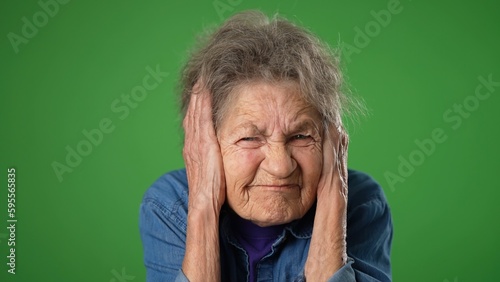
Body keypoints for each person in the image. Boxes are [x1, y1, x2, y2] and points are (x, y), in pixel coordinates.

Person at [139, 10, 392, 282]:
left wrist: (333, 205)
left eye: (301, 136)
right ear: (204, 144)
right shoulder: (169, 206)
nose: (281, 166)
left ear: (332, 140)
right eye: (250, 138)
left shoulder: (361, 203)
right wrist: (203, 207)